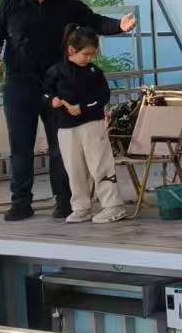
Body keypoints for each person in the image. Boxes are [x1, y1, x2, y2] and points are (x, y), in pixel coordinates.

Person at [0, 0, 135, 221]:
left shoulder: (68, 5)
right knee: (20, 145)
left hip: (59, 86)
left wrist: (120, 26)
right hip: (20, 84)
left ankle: (65, 201)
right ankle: (20, 202)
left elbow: (95, 21)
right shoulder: (9, 3)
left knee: (61, 146)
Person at [44, 25, 127, 225]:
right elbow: (45, 92)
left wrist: (82, 107)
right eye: (86, 54)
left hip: (92, 124)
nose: (89, 58)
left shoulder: (94, 72)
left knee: (100, 164)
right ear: (71, 50)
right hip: (66, 128)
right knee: (74, 168)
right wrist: (52, 100)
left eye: (92, 54)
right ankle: (81, 207)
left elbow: (103, 97)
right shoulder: (55, 71)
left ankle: (113, 205)